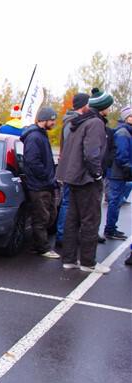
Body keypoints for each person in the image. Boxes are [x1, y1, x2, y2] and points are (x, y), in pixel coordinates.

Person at [56, 88, 114, 273]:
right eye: (109, 107)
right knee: (90, 221)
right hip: (86, 179)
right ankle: (88, 262)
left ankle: (69, 259)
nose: (109, 110)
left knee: (72, 220)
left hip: (72, 177)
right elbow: (91, 153)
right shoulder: (95, 123)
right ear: (103, 107)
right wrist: (97, 174)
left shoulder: (76, 122)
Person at [20, 107, 60, 258]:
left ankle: (39, 245)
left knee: (49, 215)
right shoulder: (35, 137)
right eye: (52, 119)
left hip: (44, 183)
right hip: (38, 185)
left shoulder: (40, 135)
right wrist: (45, 176)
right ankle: (42, 247)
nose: (54, 122)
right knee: (41, 217)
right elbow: (32, 161)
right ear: (43, 120)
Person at [55, 92, 91, 249]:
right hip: (72, 169)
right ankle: (63, 235)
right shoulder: (73, 123)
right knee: (68, 202)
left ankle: (64, 235)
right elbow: (73, 148)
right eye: (88, 104)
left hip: (69, 168)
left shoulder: (70, 122)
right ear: (84, 105)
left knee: (68, 202)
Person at [105, 105, 132, 240]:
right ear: (126, 118)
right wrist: (129, 168)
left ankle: (111, 227)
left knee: (116, 201)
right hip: (117, 173)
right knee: (115, 202)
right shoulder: (123, 133)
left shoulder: (126, 132)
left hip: (119, 172)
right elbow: (122, 156)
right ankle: (110, 229)